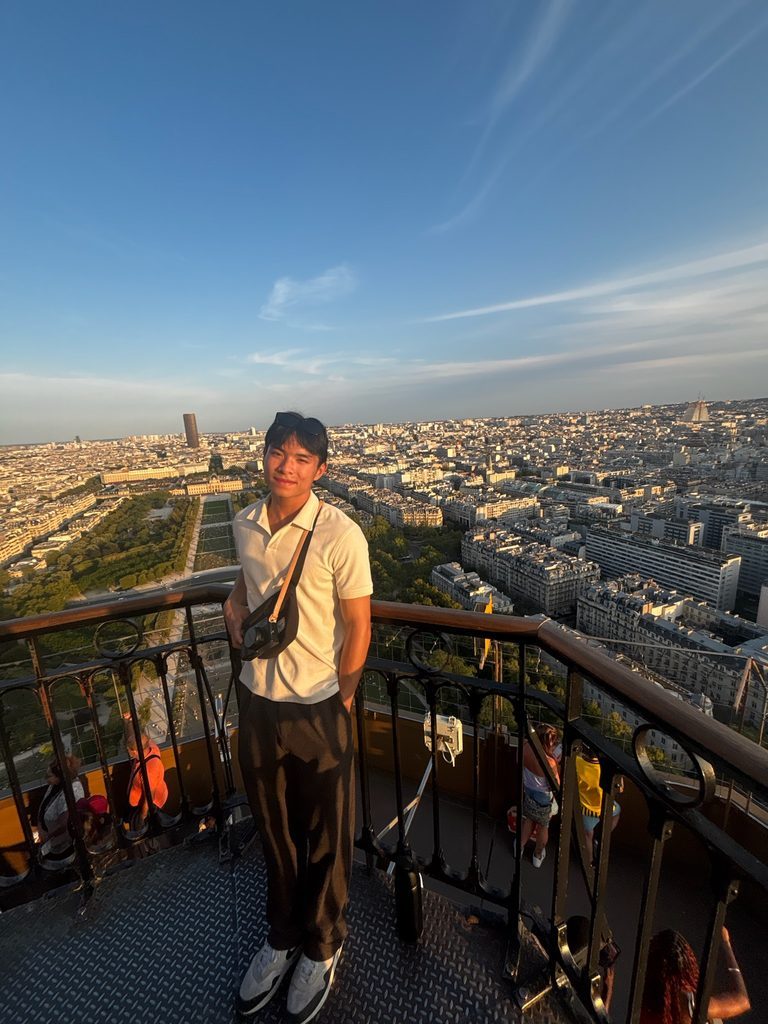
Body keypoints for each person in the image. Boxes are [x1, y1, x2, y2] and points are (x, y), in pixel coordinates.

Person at [225, 411, 372, 1024]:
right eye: (278, 453)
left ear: (321, 468)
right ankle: (283, 936)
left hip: (316, 705)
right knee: (277, 831)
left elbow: (360, 625)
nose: (287, 466)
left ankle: (321, 945)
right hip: (258, 702)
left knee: (327, 838)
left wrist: (339, 700)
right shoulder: (244, 524)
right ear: (263, 456)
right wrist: (235, 609)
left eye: (301, 457)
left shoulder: (341, 534)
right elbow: (251, 580)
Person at [640, 927, 750, 1023]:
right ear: (687, 967)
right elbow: (742, 1000)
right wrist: (726, 944)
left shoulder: (641, 992)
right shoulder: (687, 1003)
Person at [518, 724, 561, 868]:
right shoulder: (549, 763)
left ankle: (519, 847)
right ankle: (537, 855)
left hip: (528, 788)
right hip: (543, 795)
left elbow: (519, 762)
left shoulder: (525, 746)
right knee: (543, 826)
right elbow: (555, 786)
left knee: (528, 820)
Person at [574, 748, 622, 863]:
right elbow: (619, 789)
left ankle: (589, 862)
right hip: (603, 806)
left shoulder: (577, 761)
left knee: (587, 835)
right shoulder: (606, 770)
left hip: (584, 807)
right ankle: (601, 837)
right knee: (617, 811)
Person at [36, 754, 84, 868]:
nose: (47, 779)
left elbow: (64, 823)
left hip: (62, 844)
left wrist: (47, 836)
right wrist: (40, 826)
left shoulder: (73, 789)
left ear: (61, 776)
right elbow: (44, 805)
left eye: (50, 776)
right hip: (48, 839)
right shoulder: (54, 786)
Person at [123, 715, 168, 829]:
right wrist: (128, 722)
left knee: (147, 829)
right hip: (147, 800)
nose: (127, 751)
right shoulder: (150, 747)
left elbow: (149, 797)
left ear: (135, 751)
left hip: (149, 805)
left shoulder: (149, 770)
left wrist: (142, 817)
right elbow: (133, 738)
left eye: (129, 749)